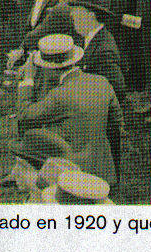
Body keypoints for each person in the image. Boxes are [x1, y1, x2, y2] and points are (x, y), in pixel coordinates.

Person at [16, 34, 123, 192]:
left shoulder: (60, 95)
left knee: (30, 137)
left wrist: (28, 79)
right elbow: (116, 124)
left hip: (73, 173)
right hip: (104, 170)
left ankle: (25, 174)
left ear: (48, 68)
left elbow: (25, 115)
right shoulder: (102, 81)